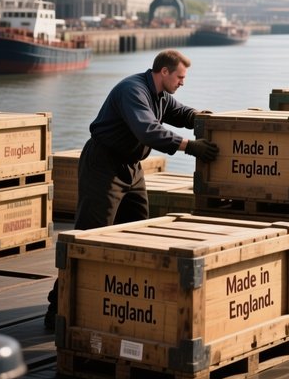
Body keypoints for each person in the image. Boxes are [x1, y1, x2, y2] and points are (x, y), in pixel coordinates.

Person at [44, 48, 218, 330]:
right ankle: (57, 307)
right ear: (164, 72)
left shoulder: (161, 95)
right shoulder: (132, 90)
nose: (182, 83)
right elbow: (146, 129)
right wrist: (189, 146)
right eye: (180, 77)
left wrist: (200, 117)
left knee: (137, 228)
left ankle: (116, 296)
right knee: (90, 235)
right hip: (104, 164)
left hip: (131, 167)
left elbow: (178, 111)